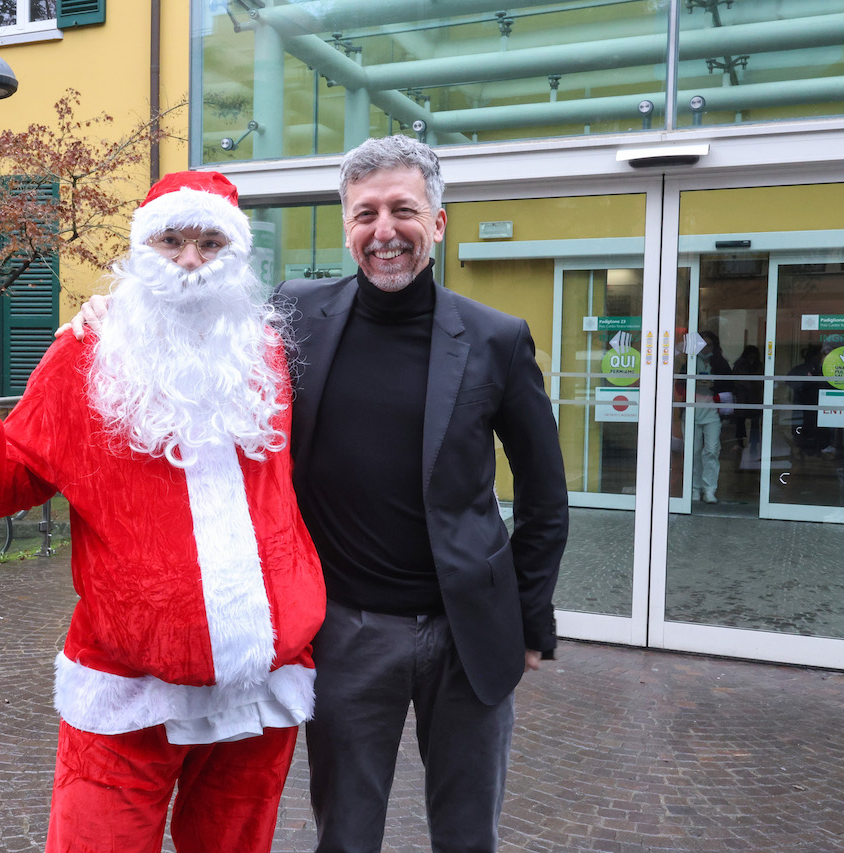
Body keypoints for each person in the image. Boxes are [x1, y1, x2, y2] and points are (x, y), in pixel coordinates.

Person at [65, 137, 569, 853]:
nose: (385, 231)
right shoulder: (295, 315)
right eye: (366, 214)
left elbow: (546, 500)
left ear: (437, 221)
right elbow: (196, 332)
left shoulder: (497, 339)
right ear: (346, 226)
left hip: (467, 632)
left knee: (467, 834)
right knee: (346, 834)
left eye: (403, 210)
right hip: (346, 632)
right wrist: (112, 315)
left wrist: (530, 620)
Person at [0, 171, 326, 853]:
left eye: (210, 243)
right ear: (141, 249)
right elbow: (9, 481)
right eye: (171, 240)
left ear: (237, 254)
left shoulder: (267, 351)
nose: (190, 259)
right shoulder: (85, 353)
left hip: (262, 677)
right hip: (126, 685)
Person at [691, 330, 730, 503]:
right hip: (692, 413)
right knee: (694, 452)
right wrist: (693, 383)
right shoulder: (690, 361)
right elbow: (678, 383)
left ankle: (709, 489)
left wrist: (714, 385)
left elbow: (729, 385)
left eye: (709, 345)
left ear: (714, 346)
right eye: (702, 345)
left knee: (712, 451)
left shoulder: (720, 363)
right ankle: (694, 488)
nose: (705, 348)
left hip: (712, 414)